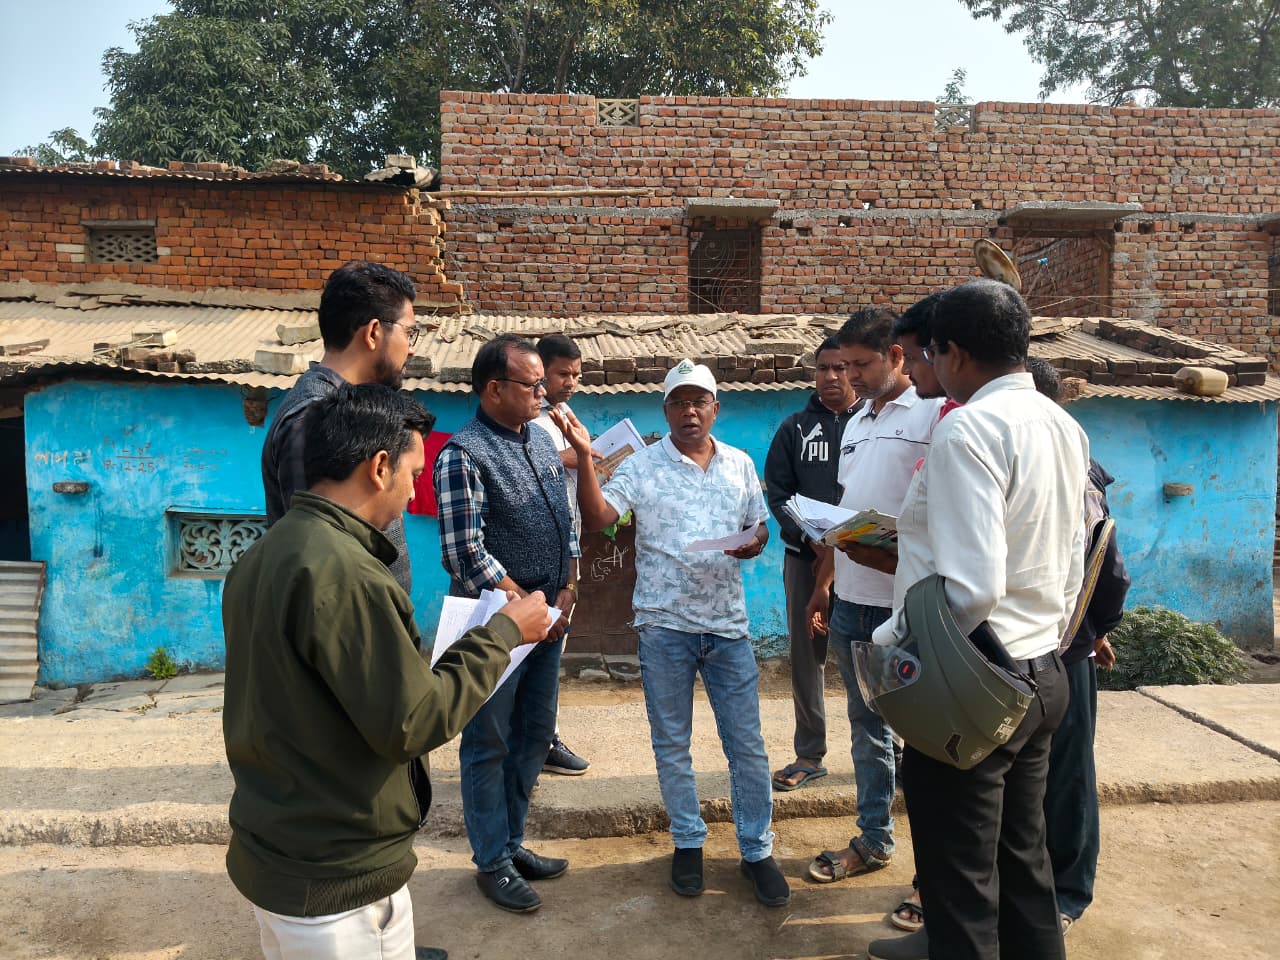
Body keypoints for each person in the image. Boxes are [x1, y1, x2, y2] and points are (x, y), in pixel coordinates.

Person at [223, 383, 553, 960]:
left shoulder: (268, 551)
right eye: (413, 473)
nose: (415, 490)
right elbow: (414, 721)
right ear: (379, 468)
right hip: (338, 880)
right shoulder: (345, 573)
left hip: (282, 848)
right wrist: (503, 634)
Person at [867, 279, 1088, 960]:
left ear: (956, 352)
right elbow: (1072, 556)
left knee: (960, 884)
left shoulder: (969, 427)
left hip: (976, 682)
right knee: (1023, 865)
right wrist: (1045, 638)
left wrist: (895, 646)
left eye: (931, 353)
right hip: (1041, 669)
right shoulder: (1061, 423)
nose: (928, 366)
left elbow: (973, 588)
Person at [551, 359, 791, 908]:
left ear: (715, 409)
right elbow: (599, 517)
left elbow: (758, 527)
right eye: (678, 402)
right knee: (672, 744)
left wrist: (753, 543)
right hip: (664, 627)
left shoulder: (739, 463)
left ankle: (757, 850)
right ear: (666, 411)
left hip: (728, 628)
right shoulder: (643, 465)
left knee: (747, 746)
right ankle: (687, 842)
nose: (689, 411)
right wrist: (585, 457)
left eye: (698, 401)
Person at [432, 333, 579, 914]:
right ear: (494, 389)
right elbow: (464, 553)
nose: (544, 393)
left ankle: (513, 843)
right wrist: (526, 606)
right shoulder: (462, 455)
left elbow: (566, 520)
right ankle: (491, 861)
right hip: (493, 625)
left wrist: (567, 586)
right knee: (488, 741)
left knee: (533, 735)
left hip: (546, 620)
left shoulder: (540, 440)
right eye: (533, 384)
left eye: (544, 383)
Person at [804, 308, 944, 885]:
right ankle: (874, 839)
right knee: (867, 729)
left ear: (897, 357)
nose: (850, 376)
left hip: (908, 605)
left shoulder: (935, 412)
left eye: (861, 365)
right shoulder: (857, 420)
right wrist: (824, 584)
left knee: (926, 738)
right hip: (854, 601)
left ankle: (934, 875)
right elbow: (846, 515)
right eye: (845, 365)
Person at [1028, 358, 1131, 937]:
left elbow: (1104, 566)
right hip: (1029, 647)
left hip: (1064, 648)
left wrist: (1096, 631)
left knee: (1066, 773)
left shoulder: (1075, 471)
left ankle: (1066, 892)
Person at [260, 260, 420, 592]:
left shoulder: (358, 408)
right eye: (409, 332)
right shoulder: (311, 417)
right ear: (374, 333)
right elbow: (317, 559)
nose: (412, 347)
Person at [763, 336, 862, 790]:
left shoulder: (872, 424)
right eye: (823, 368)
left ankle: (890, 750)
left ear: (855, 371)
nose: (831, 376)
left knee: (874, 653)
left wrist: (845, 544)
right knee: (808, 658)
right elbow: (779, 495)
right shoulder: (795, 429)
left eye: (841, 368)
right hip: (805, 560)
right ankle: (809, 753)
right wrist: (812, 538)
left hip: (866, 562)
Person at [531, 333, 594, 776]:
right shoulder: (530, 419)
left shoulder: (564, 415)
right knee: (531, 652)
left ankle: (543, 737)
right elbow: (523, 462)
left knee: (553, 648)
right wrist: (570, 457)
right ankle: (535, 741)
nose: (571, 382)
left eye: (576, 374)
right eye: (562, 374)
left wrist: (589, 459)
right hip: (535, 554)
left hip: (567, 546)